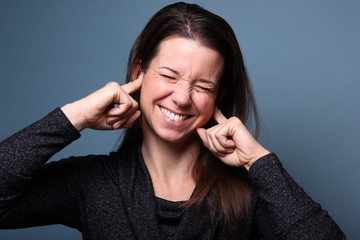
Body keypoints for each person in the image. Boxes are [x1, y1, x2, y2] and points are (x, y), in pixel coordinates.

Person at [0, 2, 345, 240]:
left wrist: (259, 162)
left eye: (202, 86)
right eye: (169, 75)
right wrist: (73, 116)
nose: (182, 97)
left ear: (218, 96)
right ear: (139, 72)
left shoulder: (249, 192)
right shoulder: (92, 184)